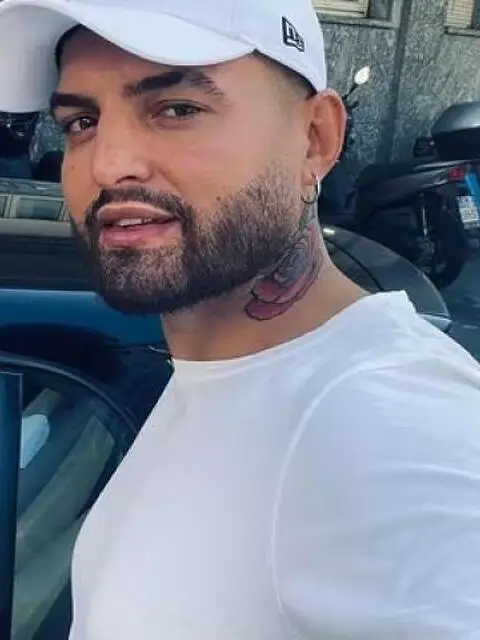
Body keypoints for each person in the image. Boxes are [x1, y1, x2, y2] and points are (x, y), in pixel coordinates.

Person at [0, 0, 479, 637]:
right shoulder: (215, 378)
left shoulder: (389, 425)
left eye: (176, 109)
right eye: (82, 122)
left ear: (316, 139)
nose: (106, 165)